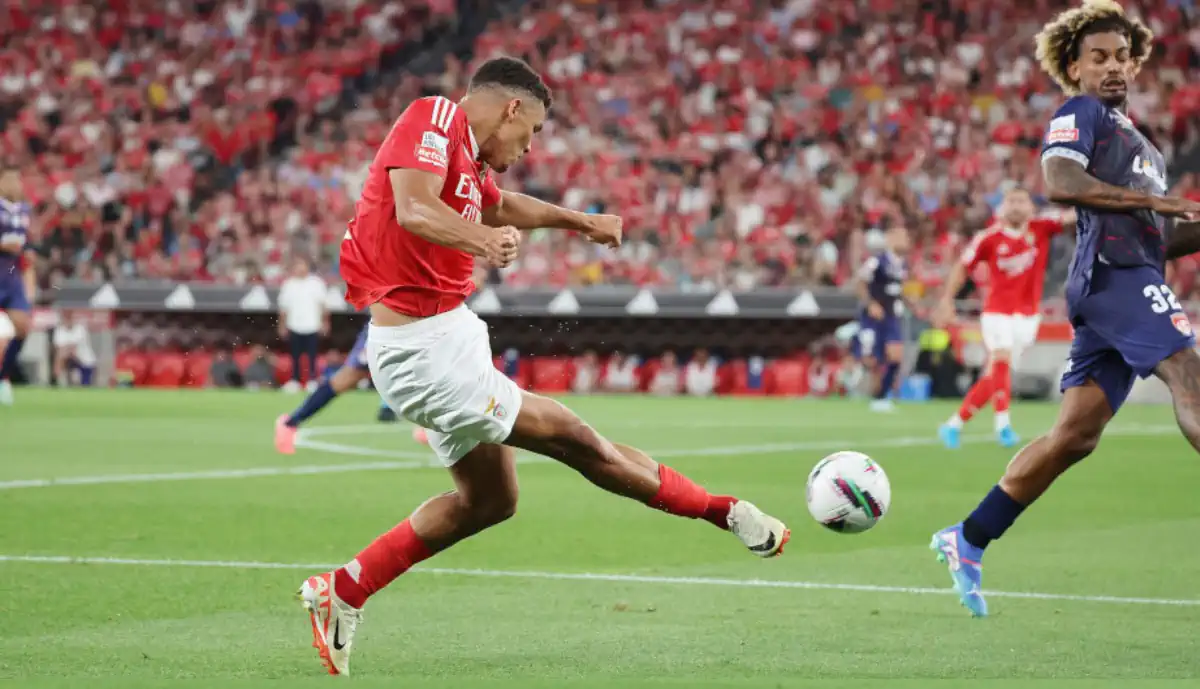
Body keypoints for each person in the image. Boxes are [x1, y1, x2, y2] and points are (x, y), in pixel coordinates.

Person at [297, 57, 789, 676]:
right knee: (575, 438)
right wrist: (480, 242)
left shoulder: (470, 164)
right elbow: (413, 209)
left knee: (490, 501)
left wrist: (579, 222)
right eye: (530, 133)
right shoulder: (433, 117)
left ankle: (343, 590)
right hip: (421, 351)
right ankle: (724, 510)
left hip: (449, 335)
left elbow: (500, 206)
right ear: (511, 109)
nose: (528, 147)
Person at [931, 0, 1200, 619]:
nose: (1112, 69)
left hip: (1125, 277)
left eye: (1121, 58)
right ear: (1074, 69)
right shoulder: (1081, 114)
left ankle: (968, 537)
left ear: (1136, 65)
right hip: (1114, 277)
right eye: (1097, 58)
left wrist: (1177, 215)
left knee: (1074, 437)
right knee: (1189, 374)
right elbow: (1059, 180)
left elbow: (1160, 235)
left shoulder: (1147, 148)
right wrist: (1152, 204)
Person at [935, 189, 1073, 448]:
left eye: (1022, 201)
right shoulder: (988, 238)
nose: (1016, 206)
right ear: (1002, 207)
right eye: (1011, 201)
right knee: (1000, 361)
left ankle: (953, 425)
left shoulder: (1042, 227)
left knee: (996, 377)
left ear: (1032, 207)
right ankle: (1003, 426)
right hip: (997, 313)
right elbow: (963, 267)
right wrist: (947, 300)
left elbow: (1071, 217)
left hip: (1028, 317)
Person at [275, 324, 390, 454]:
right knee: (345, 380)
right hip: (386, 328)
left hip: (411, 327)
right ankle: (290, 423)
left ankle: (416, 425)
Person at [851, 224, 912, 412]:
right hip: (874, 317)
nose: (906, 241)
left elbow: (898, 291)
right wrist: (871, 304)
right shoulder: (877, 262)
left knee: (896, 356)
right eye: (902, 236)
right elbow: (859, 283)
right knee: (873, 360)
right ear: (891, 239)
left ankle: (881, 395)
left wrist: (912, 304)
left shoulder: (902, 265)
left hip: (892, 316)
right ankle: (873, 393)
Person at [0, 166, 35, 406]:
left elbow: (27, 246)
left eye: (17, 178)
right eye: (9, 178)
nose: (14, 183)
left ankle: (3, 378)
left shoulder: (23, 211)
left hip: (11, 272)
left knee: (22, 326)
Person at [277, 257, 328, 392]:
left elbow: (323, 305)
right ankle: (295, 381)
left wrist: (325, 322)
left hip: (312, 325)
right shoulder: (288, 284)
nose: (299, 268)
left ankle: (312, 380)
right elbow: (283, 308)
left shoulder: (316, 283)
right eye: (297, 266)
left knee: (312, 355)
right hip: (294, 325)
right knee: (295, 355)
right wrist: (282, 326)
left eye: (302, 265)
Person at [52, 311, 97, 387]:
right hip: (68, 360)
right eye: (66, 317)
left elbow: (73, 348)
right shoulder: (60, 331)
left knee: (86, 386)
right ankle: (59, 382)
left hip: (85, 361)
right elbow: (59, 349)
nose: (68, 319)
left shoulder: (80, 329)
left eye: (70, 317)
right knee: (61, 355)